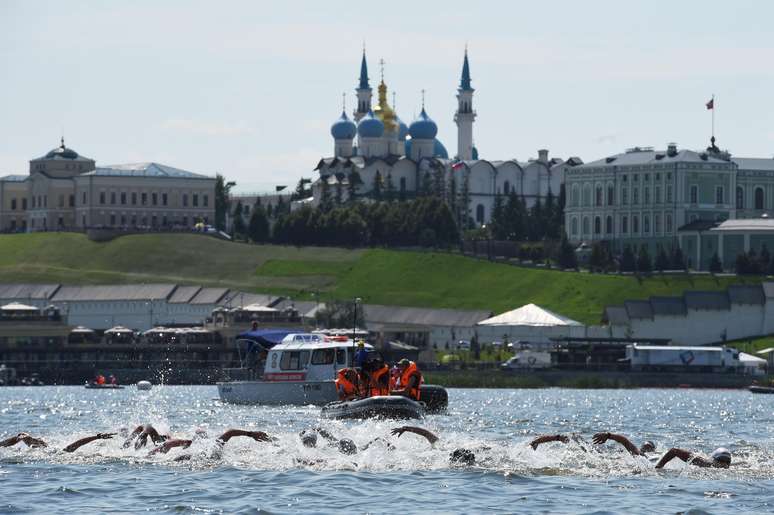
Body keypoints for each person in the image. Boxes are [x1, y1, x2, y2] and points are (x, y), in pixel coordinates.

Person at [0, 432, 116, 453]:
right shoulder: (55, 450)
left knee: (24, 436)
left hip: (45, 449)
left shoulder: (59, 452)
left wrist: (97, 437)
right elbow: (78, 444)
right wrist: (97, 437)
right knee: (23, 435)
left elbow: (78, 444)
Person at [655, 447, 731, 469]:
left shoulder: (705, 463)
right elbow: (674, 451)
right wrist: (658, 466)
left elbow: (674, 451)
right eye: (721, 461)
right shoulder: (705, 463)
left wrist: (658, 467)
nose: (723, 464)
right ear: (714, 460)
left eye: (727, 462)